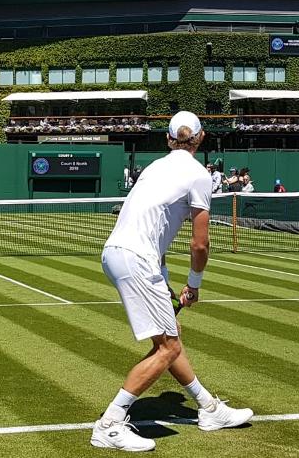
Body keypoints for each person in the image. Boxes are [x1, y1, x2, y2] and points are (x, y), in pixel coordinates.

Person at [92, 111, 253, 451]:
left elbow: (152, 222)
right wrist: (193, 283)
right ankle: (109, 424)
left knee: (170, 338)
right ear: (202, 137)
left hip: (118, 252)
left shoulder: (154, 168)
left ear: (168, 139)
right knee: (168, 348)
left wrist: (163, 276)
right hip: (136, 258)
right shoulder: (198, 175)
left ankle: (210, 409)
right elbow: (200, 243)